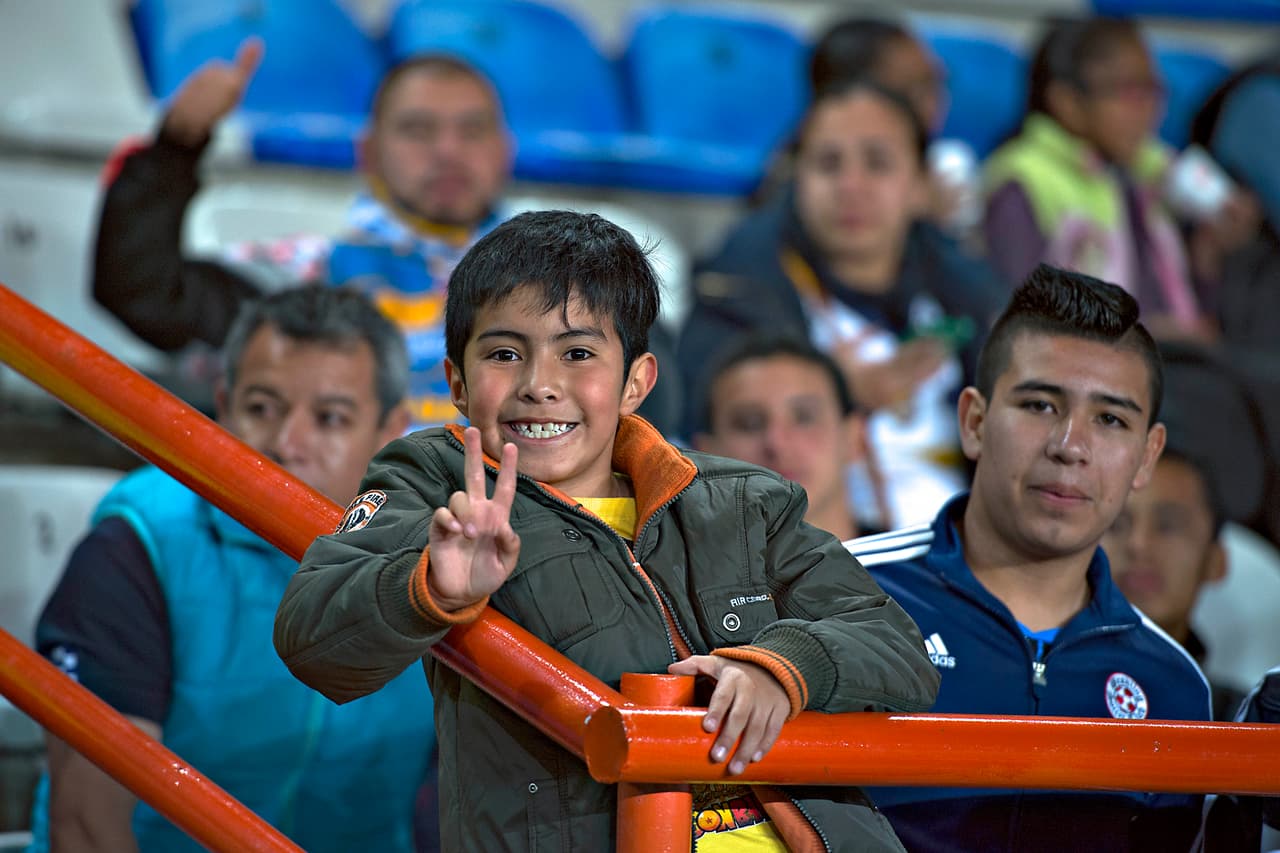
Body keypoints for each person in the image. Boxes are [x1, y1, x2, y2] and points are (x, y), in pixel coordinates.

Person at [274, 210, 940, 852]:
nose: (539, 384)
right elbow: (312, 634)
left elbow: (896, 645)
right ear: (455, 380)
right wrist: (429, 589)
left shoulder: (745, 499)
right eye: (505, 352)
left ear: (636, 381)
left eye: (578, 352)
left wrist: (783, 668)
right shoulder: (436, 480)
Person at [32, 286, 435, 852]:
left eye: (330, 418)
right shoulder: (141, 541)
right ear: (223, 405)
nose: (288, 444)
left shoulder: (445, 556)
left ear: (391, 429)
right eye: (261, 409)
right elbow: (87, 826)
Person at [854, 264, 1212, 852]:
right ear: (973, 421)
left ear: (1147, 457)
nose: (1070, 446)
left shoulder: (1173, 686)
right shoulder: (839, 592)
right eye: (1041, 405)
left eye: (1110, 419)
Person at [679, 77, 1005, 531]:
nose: (851, 185)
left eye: (877, 163)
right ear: (798, 178)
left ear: (919, 185)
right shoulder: (735, 287)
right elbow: (695, 434)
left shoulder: (972, 293)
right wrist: (835, 396)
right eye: (829, 164)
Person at [983, 17, 1251, 342]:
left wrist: (1207, 259)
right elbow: (1020, 322)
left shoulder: (1149, 174)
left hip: (1171, 365)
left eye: (1153, 91)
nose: (1149, 110)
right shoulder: (1022, 181)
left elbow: (1188, 310)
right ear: (1066, 101)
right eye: (1129, 92)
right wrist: (1145, 333)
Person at [1101, 447, 1246, 720]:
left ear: (1216, 561)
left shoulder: (1246, 722)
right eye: (1116, 524)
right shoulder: (1040, 697)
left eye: (1168, 525)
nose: (1138, 544)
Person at [693, 333, 873, 541]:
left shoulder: (914, 570)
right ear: (704, 459)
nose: (777, 443)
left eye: (804, 417)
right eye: (749, 424)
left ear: (855, 437)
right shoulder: (665, 573)